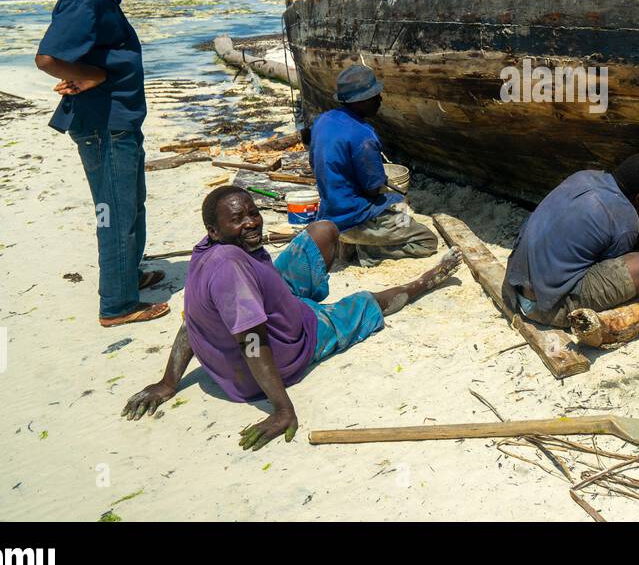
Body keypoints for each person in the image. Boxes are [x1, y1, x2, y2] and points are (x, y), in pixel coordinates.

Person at [121, 186, 462, 450]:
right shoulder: (229, 271)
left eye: (253, 213)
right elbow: (252, 343)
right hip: (297, 339)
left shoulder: (210, 250)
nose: (251, 222)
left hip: (273, 297)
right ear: (214, 230)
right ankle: (425, 282)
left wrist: (169, 382)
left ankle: (327, 274)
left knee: (324, 231)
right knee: (362, 304)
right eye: (238, 220)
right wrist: (282, 409)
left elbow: (192, 320)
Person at [35, 0, 167, 328]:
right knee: (115, 210)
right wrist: (88, 75)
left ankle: (128, 275)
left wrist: (88, 70)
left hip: (119, 120)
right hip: (103, 126)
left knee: (132, 204)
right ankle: (117, 304)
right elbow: (47, 57)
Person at [502, 154, 639, 328]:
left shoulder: (583, 176)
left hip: (515, 285)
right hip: (545, 307)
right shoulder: (625, 218)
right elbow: (609, 265)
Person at [309, 64, 439, 264]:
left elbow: (314, 164)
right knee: (427, 241)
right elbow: (372, 188)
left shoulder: (322, 120)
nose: (380, 99)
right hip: (353, 218)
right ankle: (371, 252)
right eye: (374, 96)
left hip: (328, 215)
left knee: (391, 203)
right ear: (360, 102)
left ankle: (354, 244)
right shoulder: (363, 135)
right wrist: (383, 185)